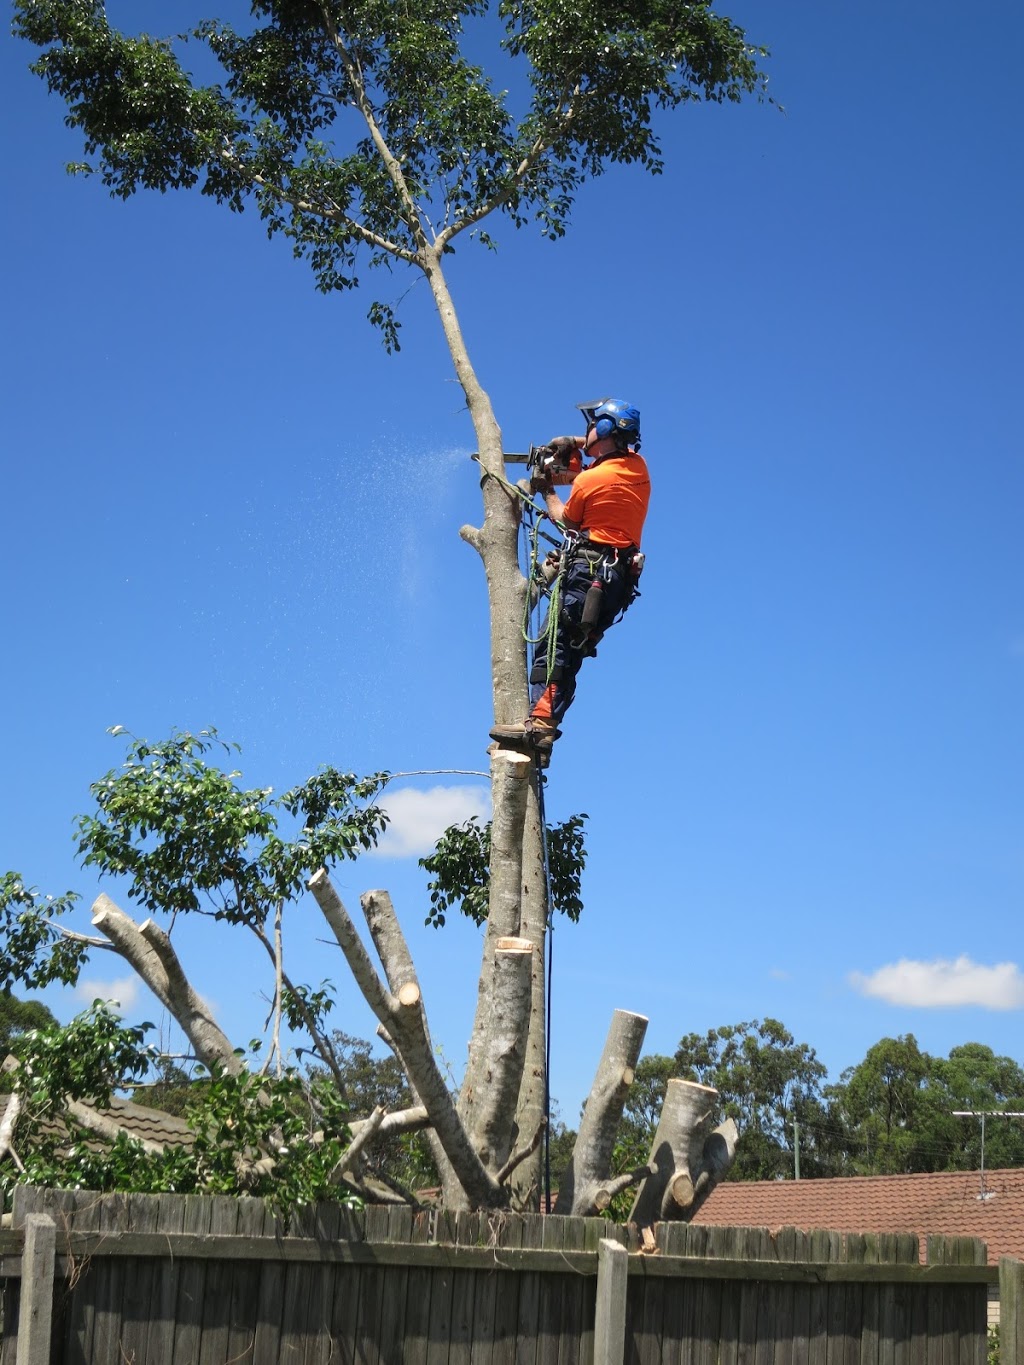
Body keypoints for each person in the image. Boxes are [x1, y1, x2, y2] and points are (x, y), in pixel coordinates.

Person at [491, 397, 651, 754]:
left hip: (588, 574)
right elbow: (596, 466)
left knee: (557, 644)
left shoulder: (591, 480)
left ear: (607, 430)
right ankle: (542, 736)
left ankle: (540, 725)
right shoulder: (638, 468)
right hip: (616, 580)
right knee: (572, 650)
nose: (587, 432)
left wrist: (547, 487)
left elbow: (566, 520)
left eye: (593, 426)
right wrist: (571, 443)